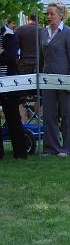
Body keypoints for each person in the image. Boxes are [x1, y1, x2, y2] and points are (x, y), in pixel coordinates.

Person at [41, 2, 70, 157]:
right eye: (47, 14)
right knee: (49, 113)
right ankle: (51, 147)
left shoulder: (68, 32)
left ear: (61, 15)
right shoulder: (43, 33)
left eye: (52, 14)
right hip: (47, 78)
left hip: (65, 78)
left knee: (67, 113)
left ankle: (68, 148)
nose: (49, 16)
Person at [0, 21, 27, 159]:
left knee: (13, 118)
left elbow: (11, 58)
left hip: (9, 83)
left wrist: (4, 54)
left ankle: (21, 152)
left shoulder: (10, 35)